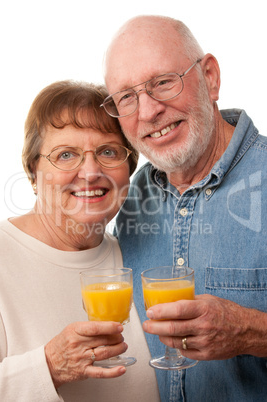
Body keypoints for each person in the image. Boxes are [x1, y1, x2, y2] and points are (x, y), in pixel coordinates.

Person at [102, 15, 267, 402]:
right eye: (127, 96)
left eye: (162, 82)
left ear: (210, 77)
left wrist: (252, 331)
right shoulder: (127, 196)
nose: (148, 112)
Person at [0, 80, 160, 402]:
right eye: (66, 154)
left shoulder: (138, 256)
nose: (89, 171)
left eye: (108, 152)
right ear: (33, 172)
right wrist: (48, 366)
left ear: (128, 170)